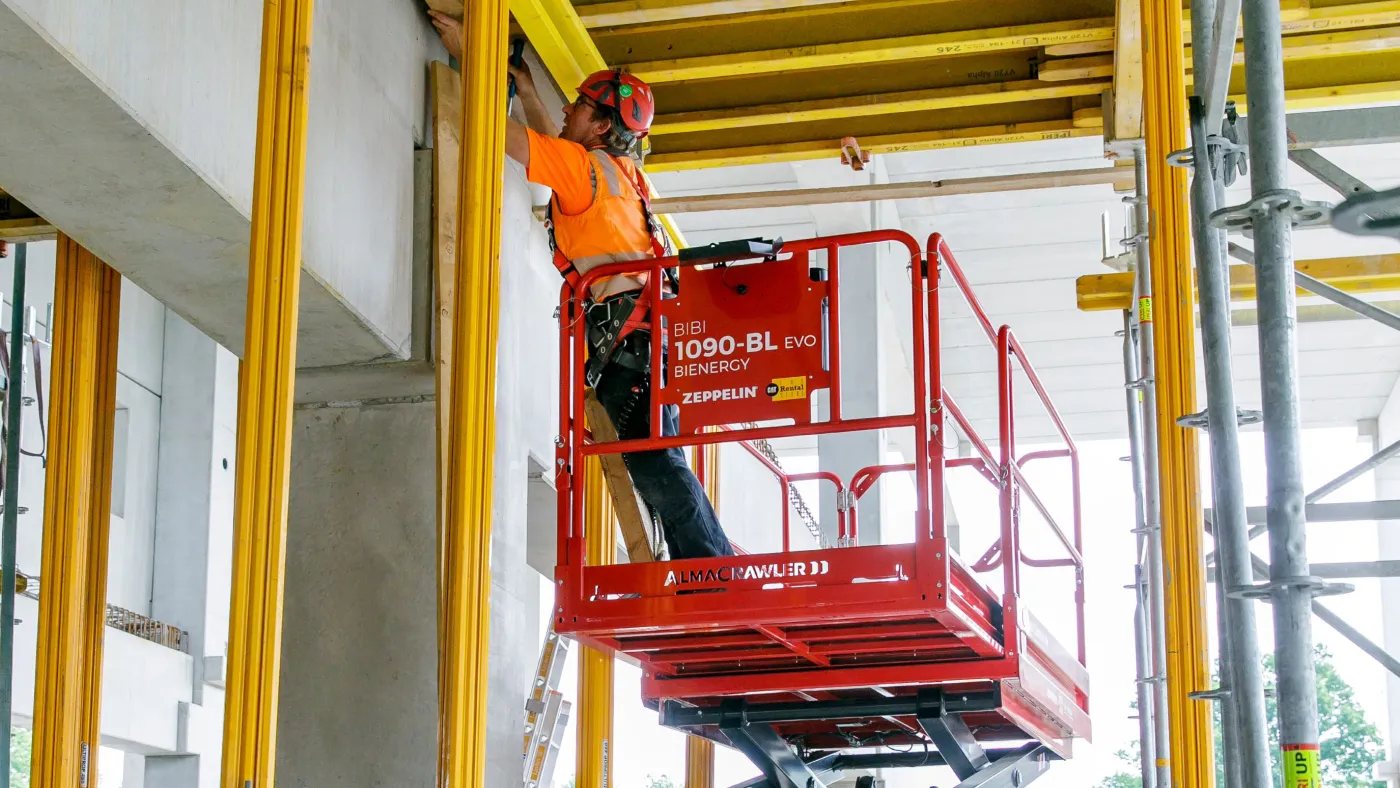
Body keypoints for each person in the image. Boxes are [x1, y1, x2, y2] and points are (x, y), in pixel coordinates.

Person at [429, 12, 734, 561]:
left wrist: (472, 55)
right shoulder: (620, 175)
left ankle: (712, 567)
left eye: (581, 106)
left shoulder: (585, 167)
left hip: (629, 343)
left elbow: (518, 142)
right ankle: (712, 561)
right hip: (649, 338)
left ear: (599, 127)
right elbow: (553, 153)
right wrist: (521, 86)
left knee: (652, 461)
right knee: (660, 458)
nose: (568, 108)